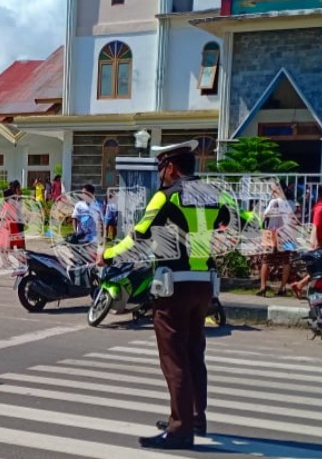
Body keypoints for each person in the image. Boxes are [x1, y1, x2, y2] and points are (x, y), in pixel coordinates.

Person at [98, 142, 229, 450]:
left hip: (175, 287)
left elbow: (139, 234)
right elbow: (234, 220)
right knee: (195, 352)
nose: (160, 174)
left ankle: (181, 429)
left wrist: (108, 254)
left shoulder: (165, 197)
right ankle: (195, 416)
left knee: (174, 357)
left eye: (160, 168)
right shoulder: (213, 194)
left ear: (171, 167)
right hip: (203, 287)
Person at [257, 183, 296, 297]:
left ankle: (263, 287)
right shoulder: (292, 203)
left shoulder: (274, 202)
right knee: (285, 261)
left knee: (266, 260)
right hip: (286, 234)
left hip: (272, 233)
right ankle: (282, 287)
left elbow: (266, 215)